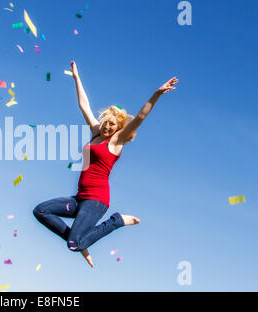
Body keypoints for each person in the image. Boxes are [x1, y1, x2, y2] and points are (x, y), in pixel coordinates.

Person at [33, 61, 178, 267]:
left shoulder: (116, 141)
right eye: (105, 122)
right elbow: (84, 105)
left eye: (112, 124)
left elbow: (140, 117)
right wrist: (76, 77)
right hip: (80, 198)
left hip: (96, 201)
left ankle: (116, 221)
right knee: (40, 210)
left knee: (73, 244)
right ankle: (79, 241)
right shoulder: (96, 133)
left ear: (118, 127)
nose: (107, 126)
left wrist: (157, 93)